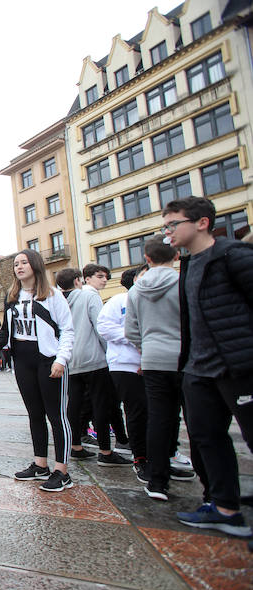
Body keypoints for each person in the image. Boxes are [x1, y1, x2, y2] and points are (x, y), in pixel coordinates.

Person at [160, 197, 253, 537]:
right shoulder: (187, 265)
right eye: (165, 225)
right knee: (206, 438)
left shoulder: (232, 256)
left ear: (201, 223)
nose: (167, 231)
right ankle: (225, 507)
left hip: (238, 366)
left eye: (173, 224)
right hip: (199, 368)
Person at [0, 249, 75, 492]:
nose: (19, 267)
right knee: (34, 413)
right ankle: (40, 464)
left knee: (56, 416)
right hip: (22, 360)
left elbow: (67, 329)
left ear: (34, 265)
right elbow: (5, 330)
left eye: (24, 262)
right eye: (16, 263)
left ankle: (62, 471)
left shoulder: (52, 295)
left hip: (48, 359)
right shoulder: (12, 296)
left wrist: (61, 359)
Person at [125, 237, 197, 502]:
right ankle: (210, 486)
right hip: (185, 357)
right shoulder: (184, 282)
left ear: (147, 258)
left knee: (158, 418)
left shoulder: (135, 290)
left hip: (153, 359)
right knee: (195, 419)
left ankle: (157, 480)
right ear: (176, 256)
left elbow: (130, 330)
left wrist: (146, 347)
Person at [55, 267, 132, 467]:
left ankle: (75, 446)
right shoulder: (88, 297)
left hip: (70, 359)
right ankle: (106, 451)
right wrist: (109, 353)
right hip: (93, 357)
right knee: (101, 404)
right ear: (79, 281)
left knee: (74, 405)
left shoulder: (58, 301)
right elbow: (100, 326)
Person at [96, 267, 149, 476]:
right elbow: (104, 327)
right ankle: (141, 457)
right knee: (136, 411)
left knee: (160, 413)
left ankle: (165, 455)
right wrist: (136, 337)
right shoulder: (119, 301)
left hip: (158, 363)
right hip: (125, 364)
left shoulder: (157, 301)